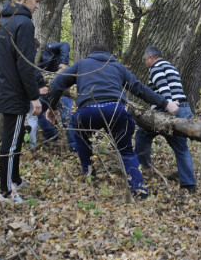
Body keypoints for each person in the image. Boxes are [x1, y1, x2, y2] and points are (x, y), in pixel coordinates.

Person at [45, 44, 179, 198]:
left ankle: (90, 177)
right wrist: (166, 103)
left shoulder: (82, 65)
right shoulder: (118, 67)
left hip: (87, 111)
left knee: (83, 143)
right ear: (109, 55)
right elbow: (139, 89)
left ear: (91, 54)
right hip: (116, 110)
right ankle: (139, 190)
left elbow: (57, 82)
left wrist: (52, 106)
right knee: (126, 150)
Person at [0, 0, 43, 204]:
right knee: (10, 143)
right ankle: (6, 191)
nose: (37, 7)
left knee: (16, 138)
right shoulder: (23, 24)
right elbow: (25, 65)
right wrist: (34, 96)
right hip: (14, 94)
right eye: (36, 2)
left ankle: (14, 179)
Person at [135, 46, 197, 193]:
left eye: (145, 59)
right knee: (181, 148)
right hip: (184, 108)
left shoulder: (156, 68)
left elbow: (164, 88)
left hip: (168, 110)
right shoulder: (171, 67)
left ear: (151, 57)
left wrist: (169, 105)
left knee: (142, 135)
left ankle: (142, 169)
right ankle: (189, 185)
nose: (145, 63)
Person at [35, 42, 77, 151]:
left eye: (35, 49)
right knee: (35, 111)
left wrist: (63, 63)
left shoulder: (48, 49)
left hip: (62, 92)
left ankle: (74, 147)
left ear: (39, 48)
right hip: (46, 94)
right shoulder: (30, 60)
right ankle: (52, 135)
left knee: (67, 119)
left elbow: (65, 45)